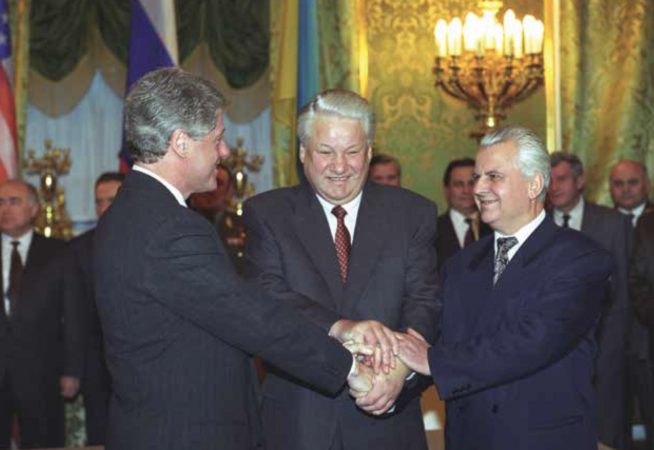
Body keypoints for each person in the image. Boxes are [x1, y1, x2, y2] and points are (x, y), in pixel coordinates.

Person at [93, 68, 378, 450]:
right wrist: (349, 367)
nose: (224, 152)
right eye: (217, 139)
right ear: (181, 143)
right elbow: (252, 318)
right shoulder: (172, 228)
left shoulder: (126, 213)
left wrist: (337, 331)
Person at [243, 89, 440, 450]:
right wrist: (341, 326)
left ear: (369, 152)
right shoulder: (268, 214)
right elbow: (266, 297)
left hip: (388, 421)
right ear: (303, 152)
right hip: (298, 423)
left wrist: (400, 371)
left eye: (352, 152)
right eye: (325, 152)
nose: (339, 166)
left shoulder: (413, 214)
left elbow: (424, 302)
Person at [394, 126, 613, 450]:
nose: (478, 188)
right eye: (477, 177)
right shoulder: (461, 264)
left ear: (534, 184)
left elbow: (531, 342)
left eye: (493, 176)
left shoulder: (581, 258)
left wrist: (432, 362)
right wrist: (395, 381)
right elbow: (441, 342)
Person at [549, 151, 632, 450]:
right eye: (549, 181)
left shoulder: (612, 223)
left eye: (561, 179)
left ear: (580, 180)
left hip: (607, 347)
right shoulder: (537, 226)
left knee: (608, 429)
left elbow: (624, 290)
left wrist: (617, 345)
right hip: (552, 351)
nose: (554, 187)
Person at [0, 180, 84, 448]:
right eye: (0, 202)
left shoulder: (59, 252)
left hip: (41, 373)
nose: (5, 209)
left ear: (34, 209)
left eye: (14, 201)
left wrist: (72, 370)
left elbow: (73, 314)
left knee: (43, 442)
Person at [63, 172, 124, 445]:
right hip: (97, 363)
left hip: (149, 358)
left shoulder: (153, 239)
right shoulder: (78, 249)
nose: (103, 207)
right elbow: (75, 313)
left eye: (111, 200)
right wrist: (75, 368)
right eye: (99, 202)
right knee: (100, 433)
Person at [609, 159, 654, 450]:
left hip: (649, 340)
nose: (625, 190)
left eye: (633, 182)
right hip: (611, 344)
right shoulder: (601, 223)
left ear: (647, 184)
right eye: (618, 184)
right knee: (613, 425)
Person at [436, 158, 492, 271]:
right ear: (447, 190)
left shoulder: (496, 227)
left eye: (472, 183)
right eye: (458, 184)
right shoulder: (431, 230)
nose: (466, 191)